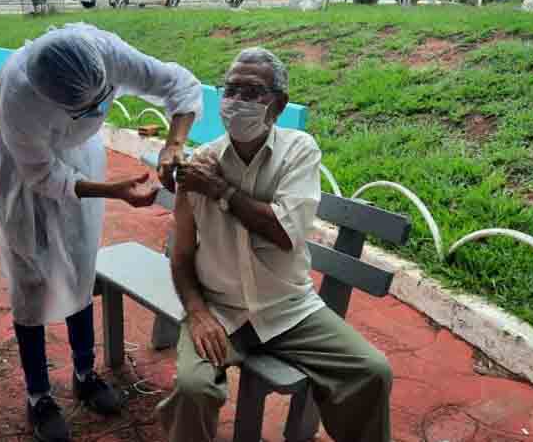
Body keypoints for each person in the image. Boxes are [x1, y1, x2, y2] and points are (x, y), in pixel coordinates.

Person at [156, 47, 393, 442]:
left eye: (252, 92)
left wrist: (220, 190)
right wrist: (197, 313)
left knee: (372, 371)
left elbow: (285, 233)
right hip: (221, 310)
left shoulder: (298, 151)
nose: (236, 102)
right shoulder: (200, 164)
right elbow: (180, 256)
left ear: (278, 105)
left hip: (288, 310)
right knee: (193, 389)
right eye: (230, 90)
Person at [0, 23, 202, 442]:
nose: (97, 113)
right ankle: (39, 396)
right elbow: (43, 174)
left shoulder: (106, 51)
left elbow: (179, 84)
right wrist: (115, 191)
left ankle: (85, 374)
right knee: (31, 275)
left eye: (102, 104)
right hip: (23, 170)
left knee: (81, 265)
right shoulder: (18, 96)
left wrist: (174, 143)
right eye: (86, 111)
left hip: (80, 156)